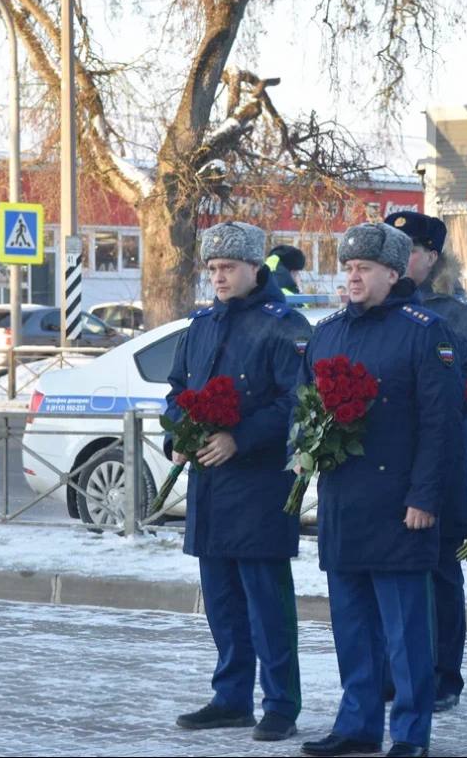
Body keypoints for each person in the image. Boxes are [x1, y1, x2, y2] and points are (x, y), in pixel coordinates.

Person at [299, 222, 462, 758]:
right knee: (351, 625)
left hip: (399, 506)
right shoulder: (326, 333)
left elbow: (441, 425)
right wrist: (304, 452)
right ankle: (358, 725)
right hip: (344, 501)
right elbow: (305, 410)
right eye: (348, 268)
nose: (353, 277)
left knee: (406, 630)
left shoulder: (424, 331)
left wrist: (424, 497)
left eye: (363, 269)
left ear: (393, 273)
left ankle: (411, 733)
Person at [164, 221, 310, 742]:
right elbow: (178, 389)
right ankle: (231, 697)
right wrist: (177, 433)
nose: (219, 278)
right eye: (213, 269)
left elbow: (295, 402)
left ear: (255, 268)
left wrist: (240, 438)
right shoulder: (201, 325)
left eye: (228, 268)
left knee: (266, 603)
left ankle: (280, 704)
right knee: (222, 601)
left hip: (257, 484)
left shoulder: (284, 325)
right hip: (209, 483)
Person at [383, 210, 467, 713]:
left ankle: (445, 675)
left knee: (440, 573)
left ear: (430, 255)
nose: (397, 257)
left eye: (407, 248)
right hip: (387, 469)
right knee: (392, 570)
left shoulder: (456, 314)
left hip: (442, 463)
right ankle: (399, 671)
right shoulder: (376, 309)